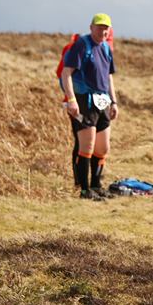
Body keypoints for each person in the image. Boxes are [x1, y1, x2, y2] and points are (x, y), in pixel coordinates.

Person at [60, 13, 118, 201]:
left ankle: (96, 185)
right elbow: (66, 73)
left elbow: (109, 77)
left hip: (103, 101)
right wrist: (71, 99)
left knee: (103, 148)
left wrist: (114, 101)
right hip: (84, 100)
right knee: (87, 145)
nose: (103, 31)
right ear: (91, 27)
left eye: (106, 28)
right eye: (99, 27)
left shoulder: (106, 48)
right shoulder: (81, 45)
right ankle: (84, 189)